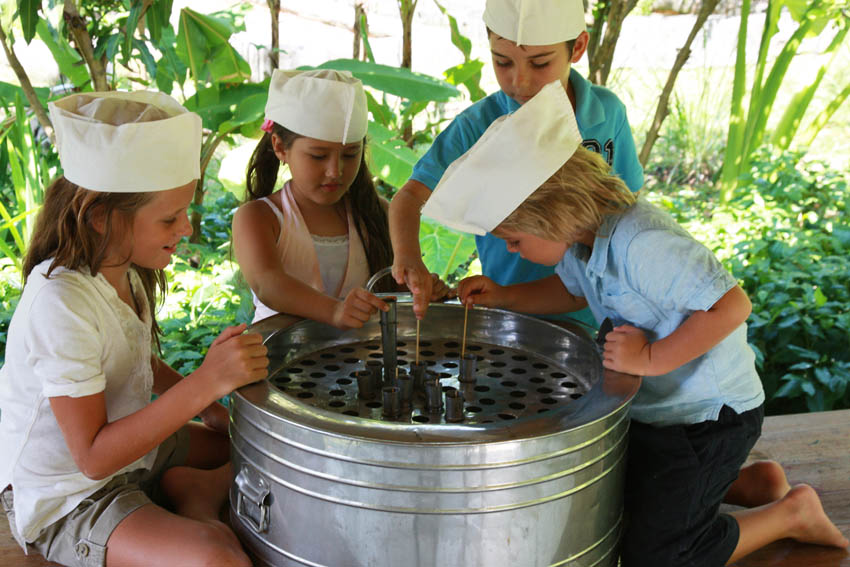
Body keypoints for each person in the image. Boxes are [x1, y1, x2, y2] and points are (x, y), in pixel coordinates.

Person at [425, 81, 849, 566]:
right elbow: (571, 291)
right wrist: (505, 296)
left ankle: (793, 512)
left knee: (659, 556)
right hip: (657, 410)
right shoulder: (579, 241)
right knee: (615, 501)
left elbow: (731, 307)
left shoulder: (642, 243)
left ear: (551, 213)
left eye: (514, 239)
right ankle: (753, 484)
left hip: (708, 417)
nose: (512, 251)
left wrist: (650, 357)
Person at [0, 91, 269, 566]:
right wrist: (207, 381)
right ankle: (196, 505)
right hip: (71, 495)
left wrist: (207, 405)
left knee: (252, 452)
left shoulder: (121, 268)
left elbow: (133, 358)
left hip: (131, 457)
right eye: (169, 217)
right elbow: (93, 458)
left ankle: (193, 493)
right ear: (101, 216)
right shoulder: (61, 302)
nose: (186, 228)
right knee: (218, 558)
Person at [389, 0, 643, 322]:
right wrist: (409, 258)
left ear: (577, 47)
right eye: (502, 62)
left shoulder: (607, 116)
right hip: (507, 310)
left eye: (540, 63)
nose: (519, 82)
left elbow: (627, 209)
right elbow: (410, 197)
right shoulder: (477, 126)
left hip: (596, 312)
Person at [232, 69, 448, 329]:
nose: (335, 171)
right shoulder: (260, 217)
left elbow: (393, 287)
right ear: (280, 147)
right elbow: (268, 283)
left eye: (350, 155)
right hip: (280, 359)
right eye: (318, 156)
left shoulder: (376, 212)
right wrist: (334, 311)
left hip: (358, 362)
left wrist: (420, 290)